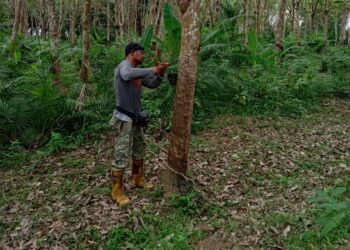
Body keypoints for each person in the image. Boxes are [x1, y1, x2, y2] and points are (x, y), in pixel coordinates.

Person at [110, 42, 168, 205]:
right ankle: (117, 191)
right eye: (141, 53)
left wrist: (160, 73)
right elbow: (127, 75)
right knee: (121, 154)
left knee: (139, 149)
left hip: (136, 118)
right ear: (132, 53)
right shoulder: (124, 67)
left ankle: (138, 178)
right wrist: (152, 69)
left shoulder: (137, 72)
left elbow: (153, 84)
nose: (143, 55)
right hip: (123, 118)